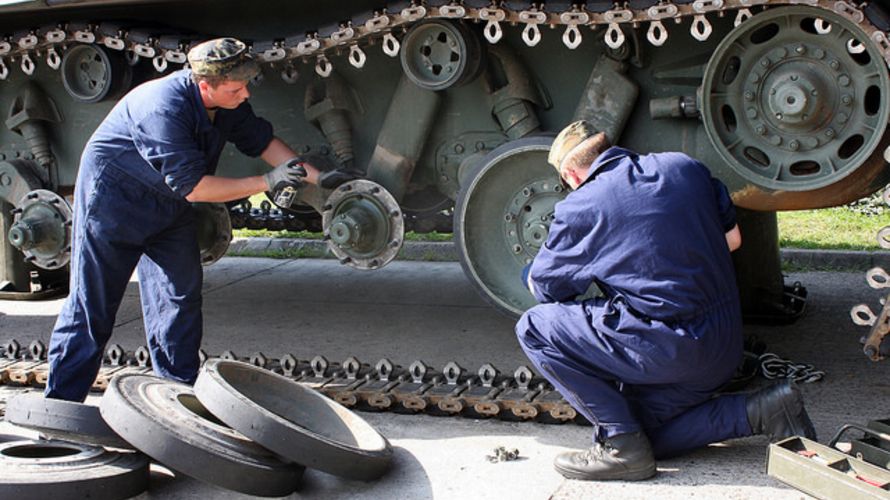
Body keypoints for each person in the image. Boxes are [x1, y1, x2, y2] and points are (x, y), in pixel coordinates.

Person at [45, 38, 356, 402]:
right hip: (114, 207)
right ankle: (60, 409)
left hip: (168, 207)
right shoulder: (161, 109)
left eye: (245, 86)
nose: (245, 94)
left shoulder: (226, 102)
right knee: (92, 308)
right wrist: (265, 182)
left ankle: (178, 394)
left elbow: (261, 141)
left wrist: (318, 178)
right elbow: (194, 188)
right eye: (236, 88)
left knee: (179, 298)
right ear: (205, 84)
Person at [515, 121, 816, 481]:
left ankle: (620, 444)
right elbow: (732, 240)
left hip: (673, 351)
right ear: (608, 148)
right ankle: (764, 411)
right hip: (723, 346)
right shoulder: (683, 167)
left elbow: (548, 291)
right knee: (645, 434)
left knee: (534, 328)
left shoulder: (582, 205)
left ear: (571, 174)